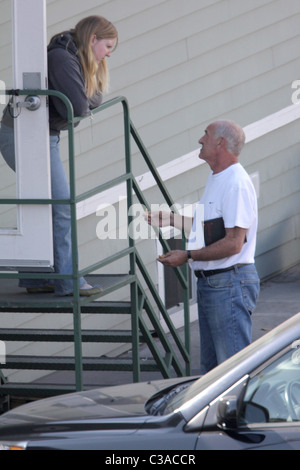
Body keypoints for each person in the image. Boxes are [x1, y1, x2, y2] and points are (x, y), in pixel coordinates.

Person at [0, 15, 118, 296]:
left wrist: (83, 96)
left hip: (41, 136)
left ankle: (36, 277)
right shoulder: (63, 58)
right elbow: (78, 108)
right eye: (108, 47)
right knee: (62, 205)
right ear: (93, 40)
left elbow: (93, 97)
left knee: (45, 201)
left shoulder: (75, 58)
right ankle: (68, 281)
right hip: (24, 136)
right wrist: (83, 98)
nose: (108, 55)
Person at [148, 120, 260, 374]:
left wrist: (187, 255)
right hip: (215, 285)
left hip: (229, 283)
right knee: (212, 373)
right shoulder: (217, 177)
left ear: (220, 143)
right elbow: (211, 231)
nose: (200, 140)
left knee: (232, 372)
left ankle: (239, 414)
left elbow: (233, 243)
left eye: (206, 135)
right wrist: (171, 219)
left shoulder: (236, 183)